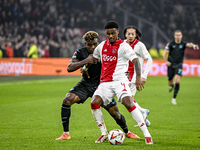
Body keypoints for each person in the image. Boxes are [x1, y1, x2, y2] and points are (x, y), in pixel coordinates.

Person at [56, 31, 139, 142]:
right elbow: (69, 68)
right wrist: (86, 61)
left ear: (98, 42)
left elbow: (119, 61)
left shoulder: (104, 51)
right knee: (67, 100)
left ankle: (127, 132)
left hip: (102, 86)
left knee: (115, 114)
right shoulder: (80, 52)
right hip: (86, 84)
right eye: (89, 45)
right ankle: (66, 133)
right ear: (85, 44)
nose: (92, 47)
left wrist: (124, 73)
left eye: (95, 44)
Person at [90, 21, 153, 144]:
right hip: (105, 83)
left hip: (120, 81)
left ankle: (147, 135)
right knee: (94, 103)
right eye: (108, 34)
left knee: (128, 103)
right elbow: (94, 57)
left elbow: (136, 61)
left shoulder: (124, 46)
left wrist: (139, 77)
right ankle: (104, 134)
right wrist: (85, 67)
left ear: (118, 32)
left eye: (113, 33)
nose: (111, 36)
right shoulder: (102, 45)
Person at [123, 26, 153, 127]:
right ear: (125, 34)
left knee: (127, 100)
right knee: (126, 100)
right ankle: (144, 115)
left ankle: (143, 114)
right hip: (124, 75)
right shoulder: (123, 44)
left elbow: (149, 59)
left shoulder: (140, 46)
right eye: (128, 34)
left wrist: (144, 76)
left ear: (136, 35)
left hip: (134, 77)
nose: (130, 36)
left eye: (133, 34)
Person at [163, 30, 199, 105]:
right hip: (171, 65)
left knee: (177, 80)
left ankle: (174, 98)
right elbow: (164, 53)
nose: (178, 36)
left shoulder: (183, 44)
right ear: (174, 36)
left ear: (181, 36)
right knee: (170, 81)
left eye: (179, 35)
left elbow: (189, 44)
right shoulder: (170, 44)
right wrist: (166, 61)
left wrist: (194, 45)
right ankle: (171, 85)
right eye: (177, 35)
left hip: (179, 65)